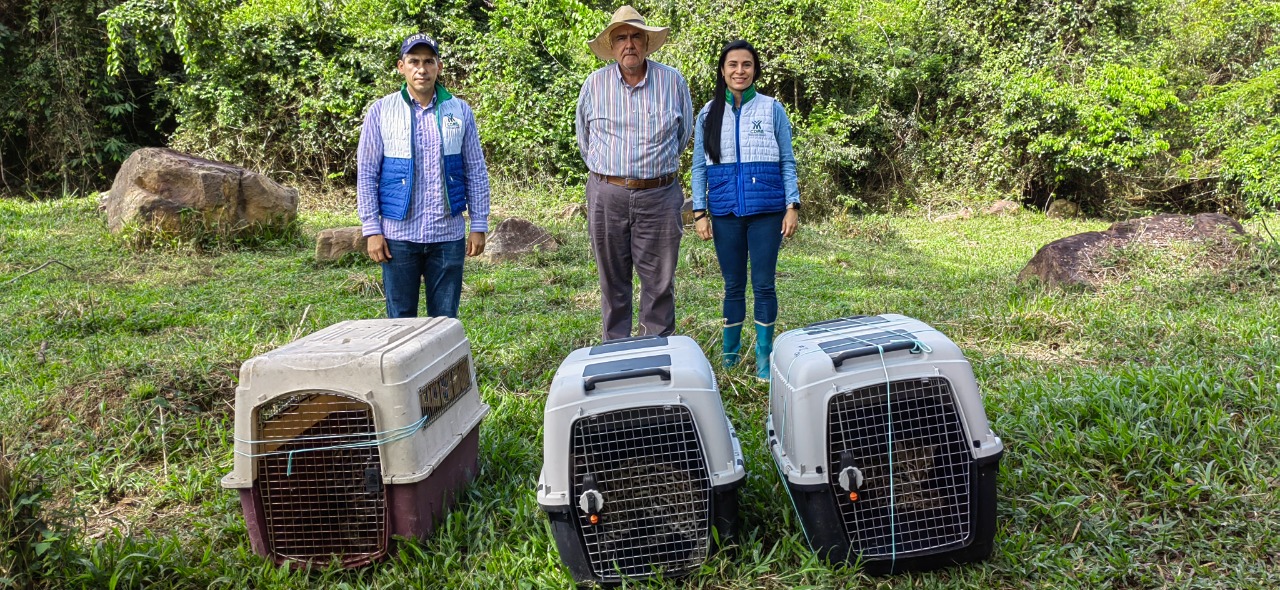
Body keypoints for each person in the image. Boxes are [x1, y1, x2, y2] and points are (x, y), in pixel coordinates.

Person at [576, 5, 693, 341]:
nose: (629, 44)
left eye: (635, 36)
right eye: (621, 38)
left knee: (659, 281)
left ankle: (655, 354)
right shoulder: (594, 85)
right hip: (606, 195)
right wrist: (613, 175)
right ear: (612, 47)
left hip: (660, 195)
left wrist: (652, 170)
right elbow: (585, 139)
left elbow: (683, 134)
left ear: (646, 42)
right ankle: (616, 352)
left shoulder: (672, 81)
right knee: (612, 280)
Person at [356, 33, 491, 319]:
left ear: (439, 67)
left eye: (428, 61)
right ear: (401, 66)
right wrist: (372, 229)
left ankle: (443, 366)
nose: (422, 68)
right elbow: (368, 173)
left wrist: (478, 224)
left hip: (447, 234)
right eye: (414, 61)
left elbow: (475, 170)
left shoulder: (459, 110)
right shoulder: (382, 111)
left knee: (444, 319)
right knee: (400, 319)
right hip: (397, 236)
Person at [691, 40, 800, 380]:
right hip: (725, 212)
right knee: (733, 286)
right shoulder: (708, 113)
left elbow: (787, 160)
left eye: (747, 65)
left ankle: (764, 361)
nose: (740, 71)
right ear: (722, 71)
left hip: (767, 212)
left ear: (755, 70)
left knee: (764, 285)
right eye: (733, 65)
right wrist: (699, 212)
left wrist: (792, 205)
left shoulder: (772, 109)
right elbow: (698, 167)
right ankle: (730, 359)